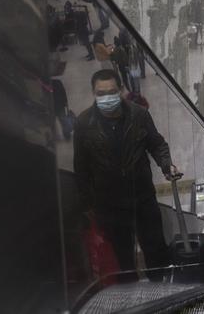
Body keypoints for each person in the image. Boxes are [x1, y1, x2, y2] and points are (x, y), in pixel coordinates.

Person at [74, 69, 179, 282]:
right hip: (109, 205)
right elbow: (81, 167)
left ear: (121, 90)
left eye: (111, 92)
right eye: (100, 93)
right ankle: (130, 300)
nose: (106, 98)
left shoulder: (138, 115)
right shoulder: (84, 123)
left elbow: (157, 145)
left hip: (142, 198)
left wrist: (167, 166)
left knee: (155, 250)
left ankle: (162, 293)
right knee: (122, 261)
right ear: (93, 94)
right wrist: (87, 206)